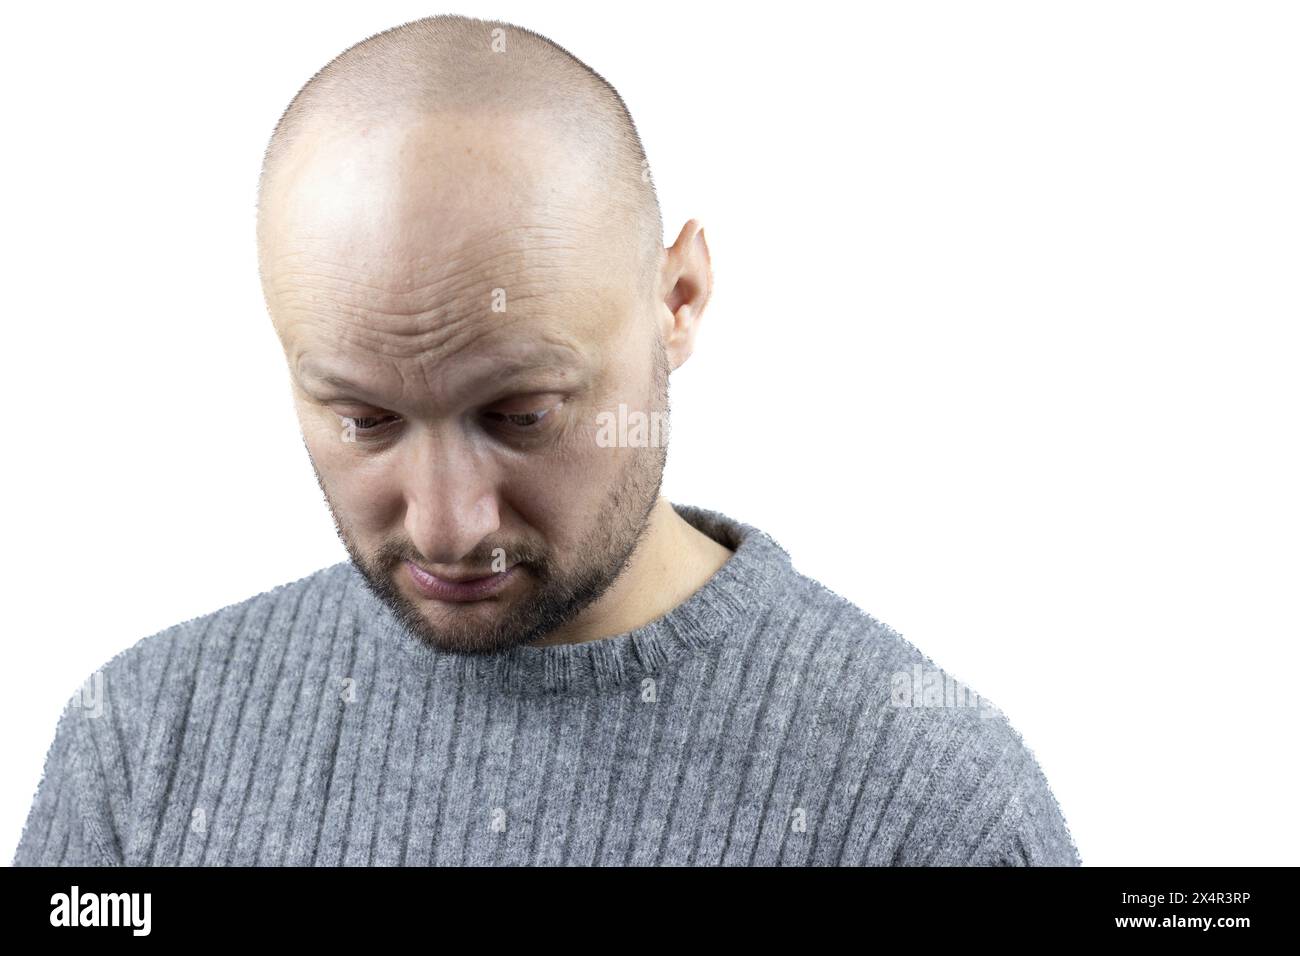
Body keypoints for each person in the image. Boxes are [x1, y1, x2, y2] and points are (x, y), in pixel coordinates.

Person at [12, 14, 1080, 866]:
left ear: (679, 298)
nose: (445, 522)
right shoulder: (144, 742)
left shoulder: (927, 807)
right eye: (363, 418)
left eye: (519, 414)